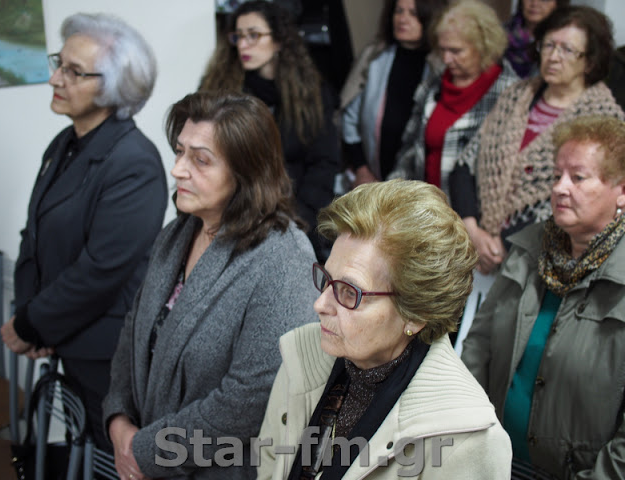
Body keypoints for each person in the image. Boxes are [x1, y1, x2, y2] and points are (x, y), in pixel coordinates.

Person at [103, 91, 319, 480]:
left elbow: (249, 401)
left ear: (246, 173)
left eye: (200, 160)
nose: (178, 170)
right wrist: (119, 423)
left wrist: (146, 450)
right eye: (180, 151)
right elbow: (131, 334)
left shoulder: (283, 259)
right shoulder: (177, 234)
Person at [257, 179, 512, 480]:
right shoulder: (301, 359)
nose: (320, 304)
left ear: (416, 315)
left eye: (350, 292)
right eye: (327, 279)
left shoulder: (467, 437)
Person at [0, 12, 167, 452]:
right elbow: (34, 237)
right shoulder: (66, 142)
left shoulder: (134, 161)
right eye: (60, 63)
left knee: (113, 460)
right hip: (67, 340)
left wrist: (31, 323)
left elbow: (101, 270)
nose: (56, 77)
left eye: (74, 71)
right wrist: (34, 320)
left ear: (115, 86)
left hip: (105, 355)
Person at [462, 115, 625, 478]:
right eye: (556, 176)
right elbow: (479, 343)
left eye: (578, 177)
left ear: (621, 191)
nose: (559, 188)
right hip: (491, 460)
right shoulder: (528, 248)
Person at [450, 5, 624, 275]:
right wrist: (472, 230)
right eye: (548, 45)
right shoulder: (515, 96)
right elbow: (465, 165)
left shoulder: (604, 121)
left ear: (589, 61)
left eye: (567, 50)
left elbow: (589, 202)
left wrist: (502, 245)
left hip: (543, 260)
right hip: (475, 245)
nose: (554, 57)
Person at [200, 0, 340, 261]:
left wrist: (299, 219)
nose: (243, 45)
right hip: (233, 219)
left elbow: (324, 163)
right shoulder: (220, 93)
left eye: (253, 35)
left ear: (278, 41)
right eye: (238, 36)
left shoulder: (310, 93)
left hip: (296, 220)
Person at [389, 0, 518, 201]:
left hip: (473, 219)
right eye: (443, 50)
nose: (447, 59)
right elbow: (410, 149)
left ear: (484, 46)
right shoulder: (435, 83)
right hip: (426, 210)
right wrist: (390, 194)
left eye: (456, 51)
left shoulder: (509, 93)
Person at [340, 0, 447, 186]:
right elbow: (349, 117)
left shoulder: (442, 65)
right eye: (398, 11)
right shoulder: (374, 58)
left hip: (423, 185)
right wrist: (361, 167)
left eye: (413, 13)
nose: (402, 19)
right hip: (373, 179)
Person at [504, 0, 570, 79]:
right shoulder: (500, 33)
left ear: (557, 4)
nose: (534, 3)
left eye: (543, 0)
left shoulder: (565, 40)